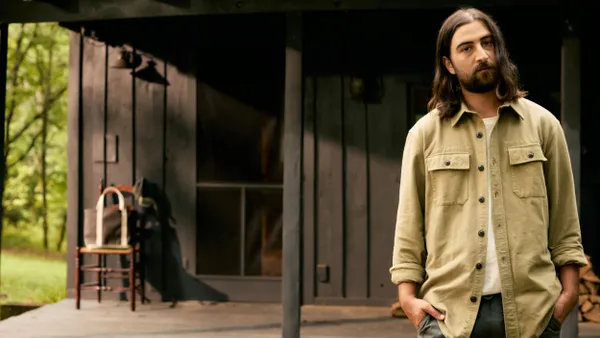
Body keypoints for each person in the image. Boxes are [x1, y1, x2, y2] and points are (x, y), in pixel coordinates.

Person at [389, 7, 587, 338]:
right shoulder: (424, 135)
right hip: (450, 319)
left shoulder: (543, 126)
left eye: (487, 43)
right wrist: (409, 300)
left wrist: (568, 295)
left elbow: (565, 221)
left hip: (533, 317)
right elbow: (410, 224)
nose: (482, 55)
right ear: (448, 64)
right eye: (467, 48)